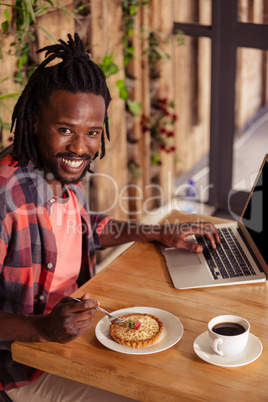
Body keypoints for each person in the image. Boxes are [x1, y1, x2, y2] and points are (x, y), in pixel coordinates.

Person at [0, 33, 220, 401]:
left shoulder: (61, 172)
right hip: (25, 366)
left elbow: (84, 228)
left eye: (92, 133)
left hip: (76, 333)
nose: (80, 147)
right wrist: (41, 329)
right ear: (35, 121)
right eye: (65, 129)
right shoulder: (7, 197)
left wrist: (156, 232)